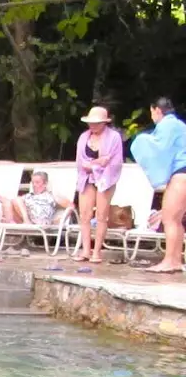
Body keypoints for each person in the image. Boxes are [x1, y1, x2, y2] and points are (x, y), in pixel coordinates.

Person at [131, 97, 186, 273]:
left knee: (169, 219)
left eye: (152, 112)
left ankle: (170, 261)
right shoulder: (178, 125)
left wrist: (140, 140)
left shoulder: (168, 125)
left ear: (156, 110)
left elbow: (158, 148)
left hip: (182, 174)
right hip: (182, 173)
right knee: (176, 220)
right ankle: (175, 260)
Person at [71, 106, 124, 263]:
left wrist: (94, 165)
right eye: (91, 123)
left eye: (96, 123)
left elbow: (114, 163)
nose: (92, 126)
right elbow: (81, 162)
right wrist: (98, 163)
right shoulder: (83, 137)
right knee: (85, 215)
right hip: (86, 178)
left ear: (104, 123)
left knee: (101, 216)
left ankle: (97, 252)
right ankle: (86, 250)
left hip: (105, 179)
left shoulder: (114, 137)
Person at [0, 170, 70, 227]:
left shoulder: (51, 196)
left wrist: (60, 220)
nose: (34, 185)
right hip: (27, 221)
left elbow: (71, 206)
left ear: (45, 183)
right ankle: (11, 229)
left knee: (17, 200)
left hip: (41, 224)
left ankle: (14, 226)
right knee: (8, 203)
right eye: (32, 182)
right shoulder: (29, 196)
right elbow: (10, 202)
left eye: (37, 182)